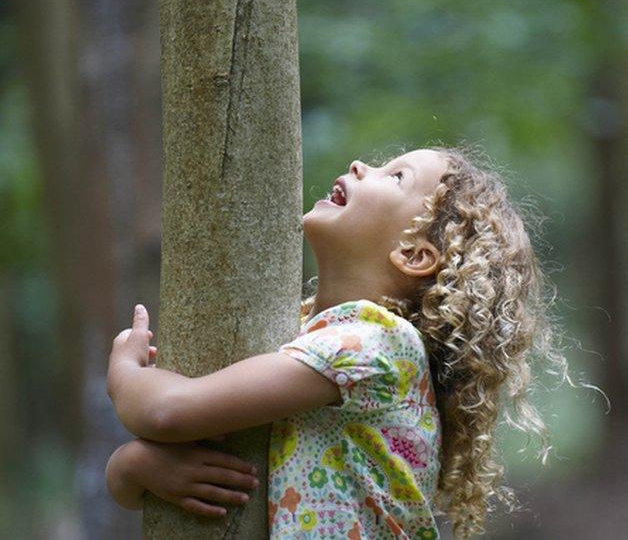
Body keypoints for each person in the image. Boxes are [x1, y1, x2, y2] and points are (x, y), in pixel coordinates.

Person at [104, 147, 587, 538]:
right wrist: (132, 469)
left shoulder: (374, 343)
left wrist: (125, 371)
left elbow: (166, 413)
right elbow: (178, 486)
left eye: (395, 176)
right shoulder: (302, 337)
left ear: (415, 254)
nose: (360, 164)